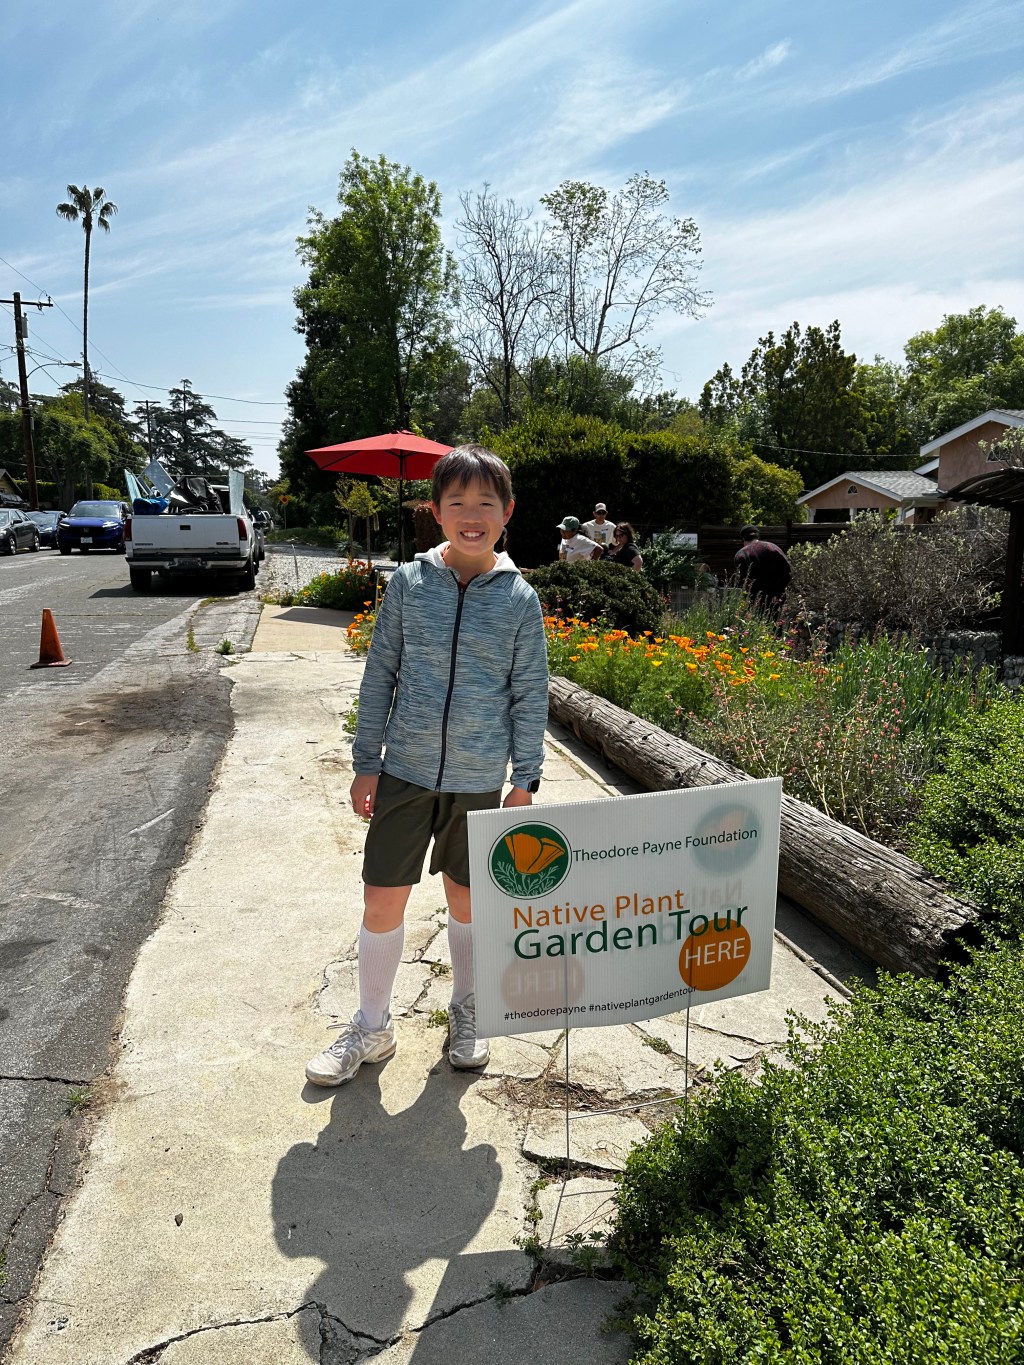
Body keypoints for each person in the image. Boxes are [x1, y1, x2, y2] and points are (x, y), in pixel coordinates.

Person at [305, 445, 549, 1087]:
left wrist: (525, 778)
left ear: (507, 514)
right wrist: (367, 763)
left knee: (468, 903)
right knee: (382, 899)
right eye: (458, 503)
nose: (472, 515)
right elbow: (379, 672)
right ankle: (371, 1025)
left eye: (486, 504)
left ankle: (467, 1011)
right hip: (404, 774)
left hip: (477, 780)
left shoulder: (522, 601)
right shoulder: (409, 586)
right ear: (435, 512)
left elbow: (530, 692)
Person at [734, 525, 791, 612]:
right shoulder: (773, 548)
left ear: (743, 539)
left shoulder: (742, 555)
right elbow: (787, 572)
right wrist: (778, 592)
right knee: (777, 623)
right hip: (777, 599)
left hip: (755, 602)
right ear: (757, 536)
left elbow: (743, 581)